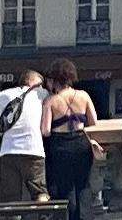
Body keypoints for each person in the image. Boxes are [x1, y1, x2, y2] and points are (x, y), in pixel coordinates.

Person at [43, 66, 100, 220]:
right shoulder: (83, 95)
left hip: (60, 145)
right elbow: (93, 121)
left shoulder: (50, 101)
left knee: (66, 186)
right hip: (81, 142)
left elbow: (45, 130)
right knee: (83, 185)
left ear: (54, 81)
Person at [0, 63, 50, 208]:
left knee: (11, 198)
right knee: (40, 192)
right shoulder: (42, 94)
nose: (42, 87)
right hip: (33, 150)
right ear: (31, 82)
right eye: (40, 84)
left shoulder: (3, 95)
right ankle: (43, 216)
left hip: (8, 151)